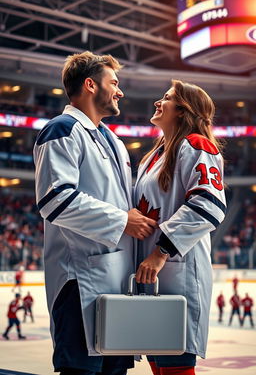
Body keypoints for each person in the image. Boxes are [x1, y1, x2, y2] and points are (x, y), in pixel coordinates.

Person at [33, 51, 157, 375]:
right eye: (114, 83)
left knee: (116, 371)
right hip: (79, 281)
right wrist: (122, 220)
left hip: (117, 282)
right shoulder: (61, 129)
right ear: (90, 85)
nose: (120, 91)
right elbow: (54, 200)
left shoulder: (114, 140)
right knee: (81, 370)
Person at [134, 79, 226, 375]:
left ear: (183, 110)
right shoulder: (153, 157)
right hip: (150, 276)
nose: (158, 102)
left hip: (177, 271)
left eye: (167, 97)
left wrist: (161, 251)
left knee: (175, 364)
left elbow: (209, 204)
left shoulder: (197, 145)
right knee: (159, 364)